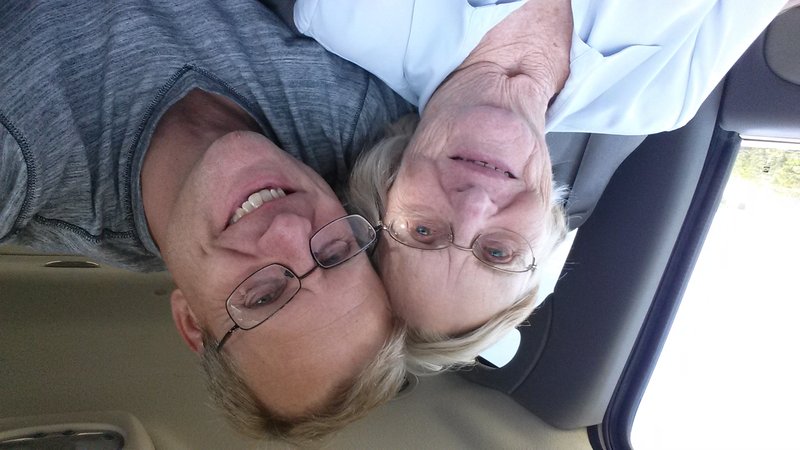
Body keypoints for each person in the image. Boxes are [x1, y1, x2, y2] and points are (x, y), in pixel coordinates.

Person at [293, 0, 794, 373]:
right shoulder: (659, 98)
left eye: (423, 233)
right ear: (546, 233)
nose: (474, 206)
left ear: (385, 188)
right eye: (497, 253)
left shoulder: (347, 15)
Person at [0, 0, 413, 443]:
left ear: (192, 322)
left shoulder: (24, 159)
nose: (289, 230)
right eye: (335, 253)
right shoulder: (358, 121)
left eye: (264, 294)